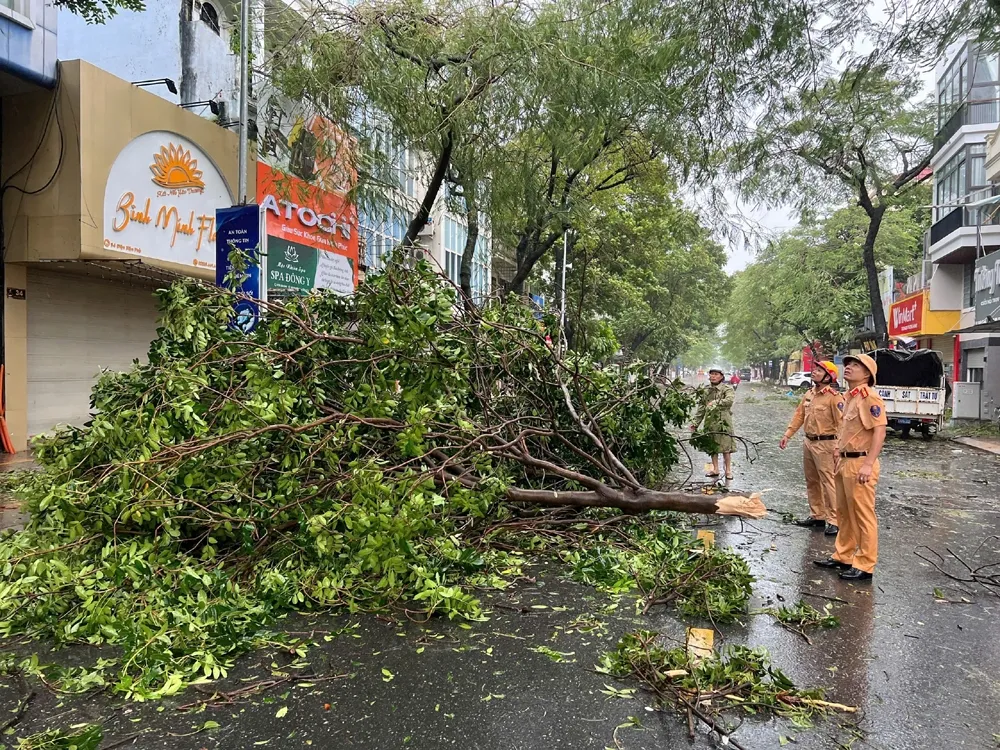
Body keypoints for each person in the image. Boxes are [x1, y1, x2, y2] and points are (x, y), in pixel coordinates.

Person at [814, 353, 887, 582]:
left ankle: (865, 564)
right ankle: (843, 555)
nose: (848, 368)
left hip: (860, 463)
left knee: (863, 515)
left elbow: (879, 432)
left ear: (867, 374)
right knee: (844, 512)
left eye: (855, 366)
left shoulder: (870, 397)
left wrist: (868, 464)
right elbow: (847, 430)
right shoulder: (850, 397)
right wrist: (837, 450)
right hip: (845, 460)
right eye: (847, 365)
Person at [779, 361, 844, 536]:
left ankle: (833, 520)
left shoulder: (834, 397)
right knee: (812, 480)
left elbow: (842, 424)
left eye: (818, 370)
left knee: (828, 481)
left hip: (827, 444)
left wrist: (838, 447)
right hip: (809, 442)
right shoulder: (809, 394)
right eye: (814, 369)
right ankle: (818, 516)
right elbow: (799, 415)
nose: (813, 372)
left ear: (828, 376)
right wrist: (788, 435)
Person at [691, 367, 736, 480]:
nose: (713, 376)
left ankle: (728, 470)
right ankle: (715, 469)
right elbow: (701, 408)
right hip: (710, 421)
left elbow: (729, 401)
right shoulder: (706, 391)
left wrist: (715, 402)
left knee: (726, 447)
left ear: (721, 376)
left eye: (716, 374)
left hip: (724, 421)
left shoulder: (727, 389)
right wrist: (695, 423)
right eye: (712, 374)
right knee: (712, 446)